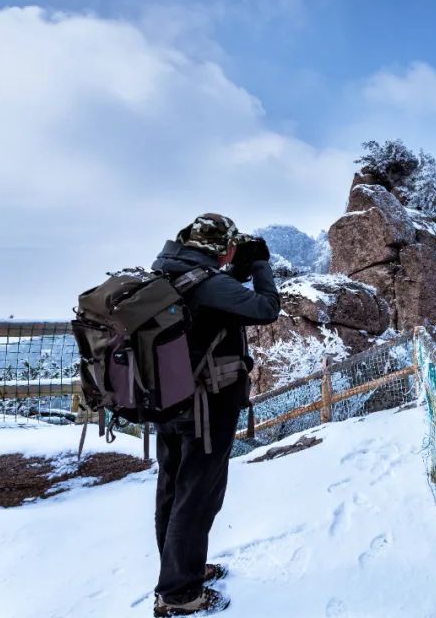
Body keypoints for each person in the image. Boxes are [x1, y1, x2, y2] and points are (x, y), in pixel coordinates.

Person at [149, 213, 280, 617]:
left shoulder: (168, 272)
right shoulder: (209, 284)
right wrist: (258, 265)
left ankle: (182, 572)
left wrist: (233, 271)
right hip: (205, 407)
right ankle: (179, 596)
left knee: (173, 489)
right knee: (197, 495)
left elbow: (212, 306)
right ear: (222, 248)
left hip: (168, 400)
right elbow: (266, 308)